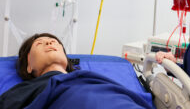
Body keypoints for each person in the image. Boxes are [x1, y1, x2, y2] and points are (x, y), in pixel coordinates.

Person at [0, 33, 153, 109]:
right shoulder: (25, 91)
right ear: (28, 66)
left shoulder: (95, 78)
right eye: (39, 44)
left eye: (55, 42)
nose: (49, 42)